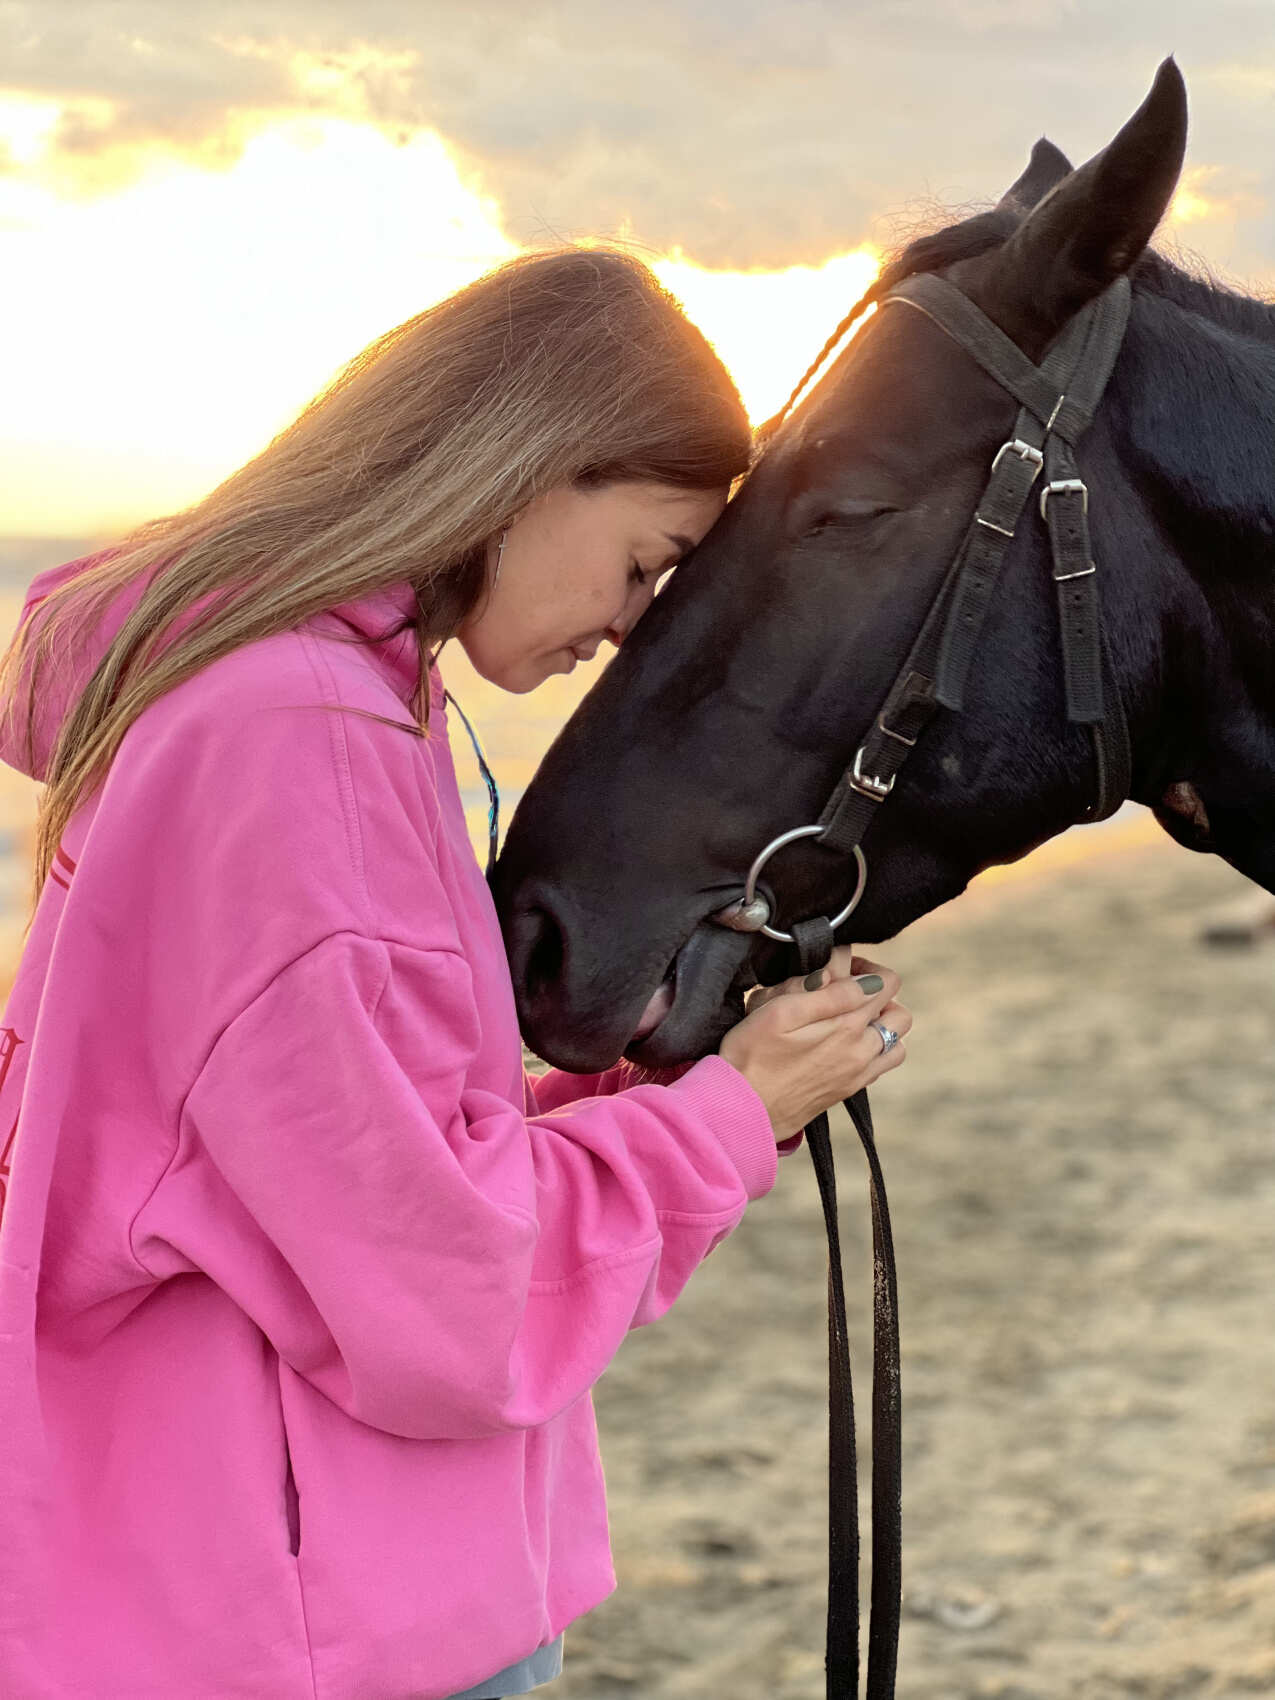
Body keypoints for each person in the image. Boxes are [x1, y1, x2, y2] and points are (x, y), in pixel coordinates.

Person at [0, 245, 910, 1700]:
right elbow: (446, 1296)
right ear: (535, 463)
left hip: (210, 1567)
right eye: (649, 562)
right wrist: (725, 1120)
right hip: (313, 1619)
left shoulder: (271, 691)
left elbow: (321, 1172)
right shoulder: (301, 734)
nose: (631, 626)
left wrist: (637, 1088)